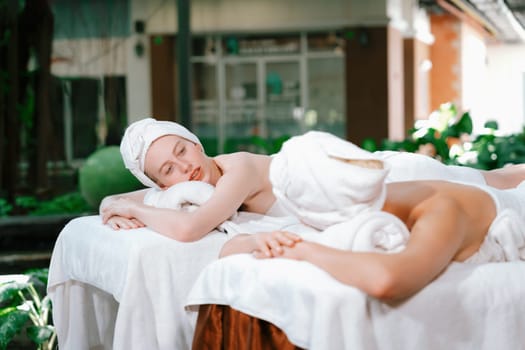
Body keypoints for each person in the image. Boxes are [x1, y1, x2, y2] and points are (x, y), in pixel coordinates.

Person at [100, 117, 525, 246]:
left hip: (386, 176)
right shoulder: (195, 182)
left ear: (194, 142)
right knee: (492, 179)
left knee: (496, 183)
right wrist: (112, 206)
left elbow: (191, 228)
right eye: (168, 171)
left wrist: (135, 210)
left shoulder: (238, 170)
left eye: (182, 150)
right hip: (363, 183)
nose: (185, 168)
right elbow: (120, 196)